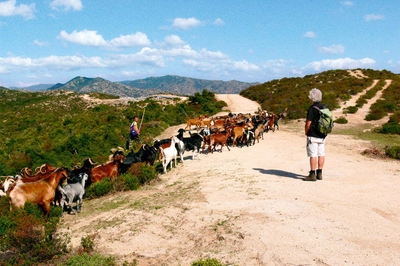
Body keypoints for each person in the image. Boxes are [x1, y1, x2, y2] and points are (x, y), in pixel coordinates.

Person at [304, 88, 326, 181]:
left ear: (312, 97)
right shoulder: (325, 107)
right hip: (323, 134)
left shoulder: (312, 108)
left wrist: (306, 131)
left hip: (313, 135)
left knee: (313, 154)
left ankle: (312, 174)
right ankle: (319, 173)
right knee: (321, 153)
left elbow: (308, 123)